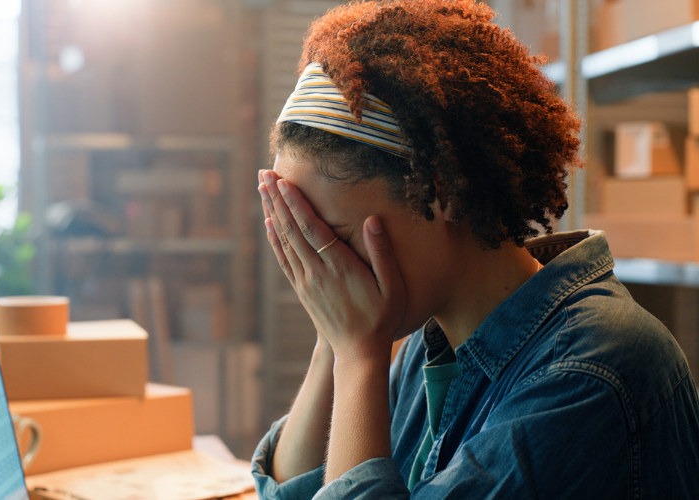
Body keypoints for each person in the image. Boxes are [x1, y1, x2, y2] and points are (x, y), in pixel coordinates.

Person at [252, 0, 699, 498]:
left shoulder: (591, 373)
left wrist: (356, 354)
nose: (323, 270)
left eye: (334, 236)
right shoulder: (425, 347)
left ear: (446, 194)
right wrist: (334, 342)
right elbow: (291, 489)